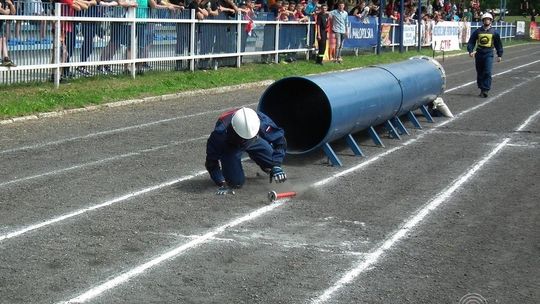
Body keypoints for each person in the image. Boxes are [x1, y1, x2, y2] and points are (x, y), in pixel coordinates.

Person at [205, 107, 287, 195]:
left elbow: (280, 141)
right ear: (233, 130)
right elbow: (211, 162)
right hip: (230, 146)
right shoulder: (219, 134)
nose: (244, 140)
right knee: (235, 183)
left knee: (272, 163)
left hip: (254, 140)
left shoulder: (261, 121)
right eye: (242, 138)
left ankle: (267, 164)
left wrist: (276, 165)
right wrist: (221, 181)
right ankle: (230, 169)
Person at [467, 12, 503, 98]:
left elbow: (498, 44)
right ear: (483, 20)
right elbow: (471, 42)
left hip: (489, 53)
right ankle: (481, 88)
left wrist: (499, 54)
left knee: (487, 71)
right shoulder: (478, 31)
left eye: (488, 19)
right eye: (485, 19)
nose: (487, 21)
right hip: (479, 54)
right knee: (480, 72)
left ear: (491, 21)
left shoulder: (494, 32)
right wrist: (470, 50)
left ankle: (485, 89)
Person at [0, 0, 16, 67]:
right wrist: (5, 12)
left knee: (3, 39)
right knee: (1, 39)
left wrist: (11, 4)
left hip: (1, 23)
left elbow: (13, 12)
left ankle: (6, 58)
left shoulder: (9, 1)